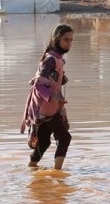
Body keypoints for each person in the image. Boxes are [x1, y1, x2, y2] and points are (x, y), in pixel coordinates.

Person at [21, 25, 74, 170]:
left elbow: (50, 78)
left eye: (71, 40)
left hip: (49, 107)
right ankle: (57, 174)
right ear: (57, 39)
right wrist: (54, 96)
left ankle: (31, 167)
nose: (69, 43)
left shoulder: (57, 58)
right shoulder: (51, 59)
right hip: (46, 108)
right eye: (66, 40)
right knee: (64, 137)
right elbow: (39, 84)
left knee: (44, 142)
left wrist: (62, 79)